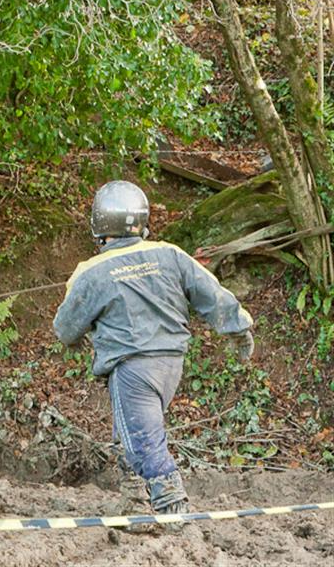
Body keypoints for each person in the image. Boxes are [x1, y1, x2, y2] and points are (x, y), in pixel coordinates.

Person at [53, 180, 254, 515]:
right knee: (130, 432)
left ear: (99, 226)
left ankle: (171, 506)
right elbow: (211, 293)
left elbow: (65, 327)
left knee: (143, 443)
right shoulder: (170, 254)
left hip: (132, 367)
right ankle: (133, 500)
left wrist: (74, 341)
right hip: (171, 363)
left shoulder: (91, 272)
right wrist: (239, 328)